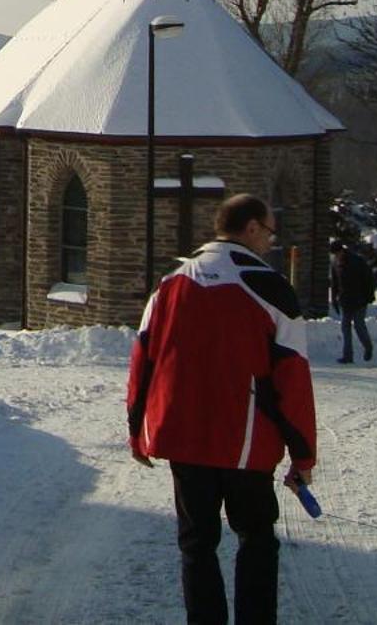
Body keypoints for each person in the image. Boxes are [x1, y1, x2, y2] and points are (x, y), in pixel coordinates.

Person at [127, 193, 317, 625]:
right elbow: (294, 378)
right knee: (256, 539)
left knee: (196, 545)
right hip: (245, 440)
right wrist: (303, 454)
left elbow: (143, 359)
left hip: (181, 435)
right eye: (269, 231)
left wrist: (138, 429)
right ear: (250, 228)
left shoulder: (170, 281)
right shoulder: (270, 288)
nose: (270, 240)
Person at [329, 243, 375, 364]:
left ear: (342, 251)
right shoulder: (335, 263)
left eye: (337, 253)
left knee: (359, 325)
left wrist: (369, 296)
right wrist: (334, 299)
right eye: (334, 254)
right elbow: (335, 283)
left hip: (360, 299)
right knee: (345, 327)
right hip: (345, 300)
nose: (336, 256)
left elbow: (368, 278)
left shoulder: (357, 261)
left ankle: (368, 347)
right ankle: (347, 356)